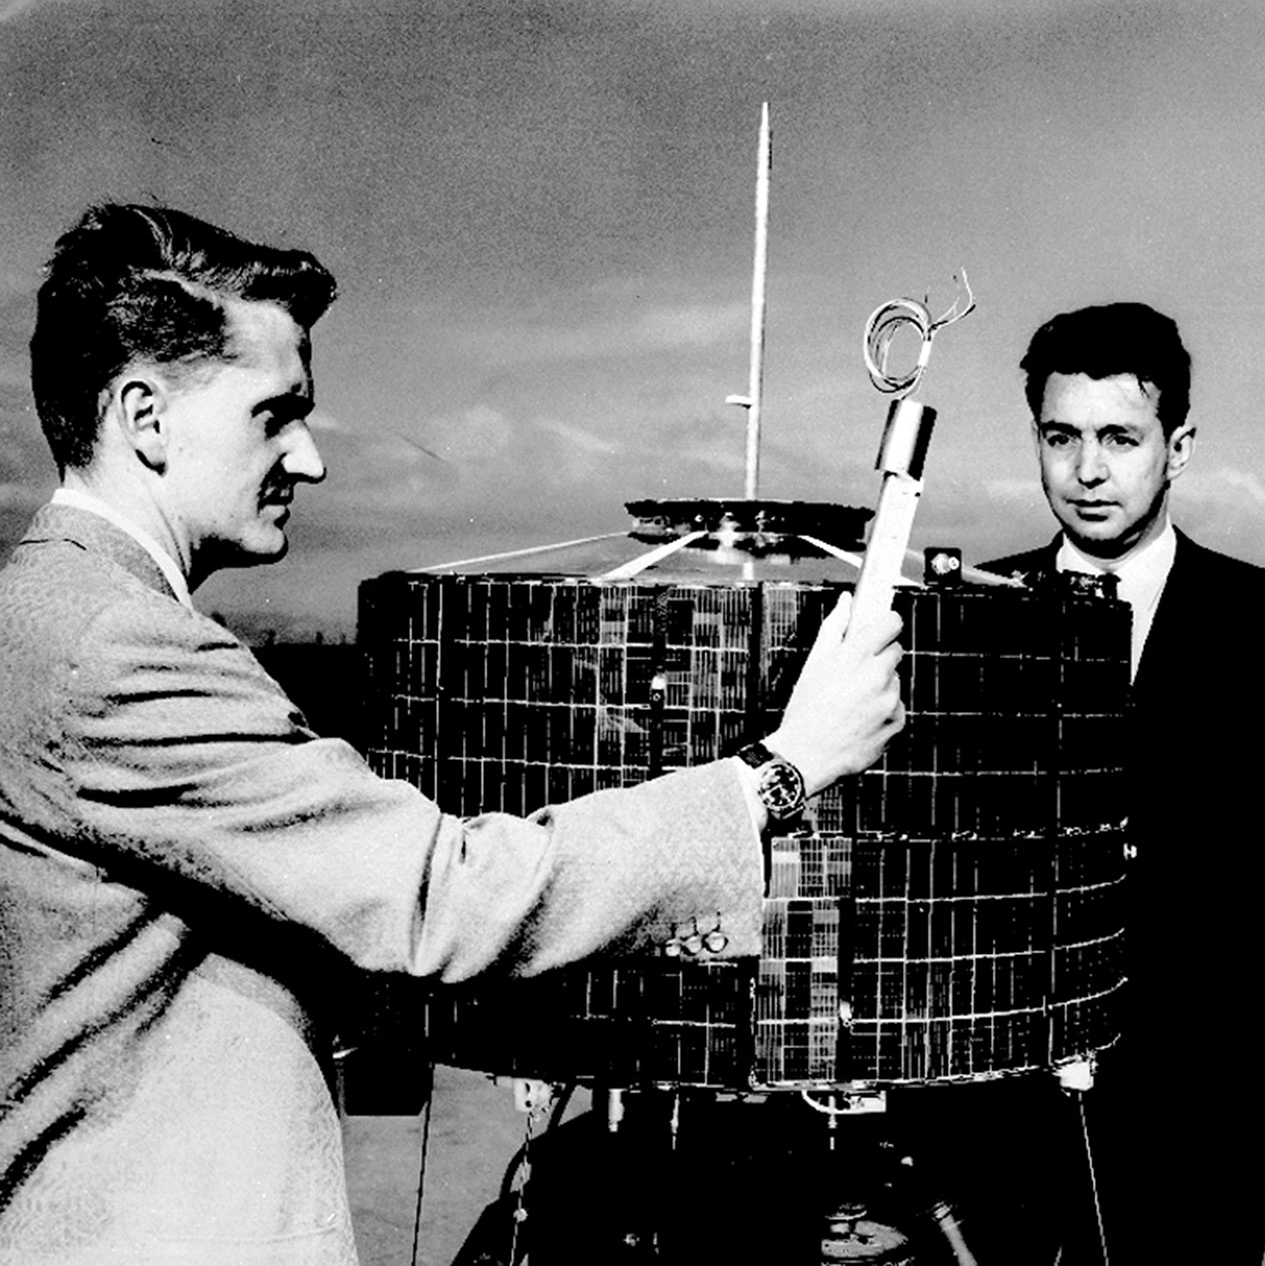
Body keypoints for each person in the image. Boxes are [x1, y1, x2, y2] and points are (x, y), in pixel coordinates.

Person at [0, 202, 905, 1266]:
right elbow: (441, 896)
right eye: (274, 412)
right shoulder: (118, 647)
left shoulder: (48, 610)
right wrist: (780, 770)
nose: (311, 456)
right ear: (145, 417)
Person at [980, 302, 1265, 1263]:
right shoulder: (967, 618)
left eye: (1119, 439)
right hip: (990, 1135)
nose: (1088, 471)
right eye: (1062, 437)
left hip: (1198, 1131)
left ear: (1178, 446)